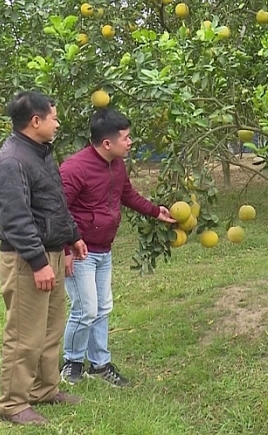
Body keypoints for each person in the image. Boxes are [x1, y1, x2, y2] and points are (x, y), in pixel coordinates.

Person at [0, 91, 88, 425]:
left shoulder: (40, 154)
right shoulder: (11, 161)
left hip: (53, 253)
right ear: (36, 121)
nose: (57, 123)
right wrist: (37, 261)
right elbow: (14, 218)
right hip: (27, 260)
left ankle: (45, 389)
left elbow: (54, 202)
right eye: (54, 117)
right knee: (24, 333)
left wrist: (72, 236)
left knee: (50, 326)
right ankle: (14, 404)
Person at [59, 109, 176, 387]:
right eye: (126, 137)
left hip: (104, 250)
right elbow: (56, 210)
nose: (131, 142)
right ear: (107, 143)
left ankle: (99, 365)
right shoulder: (75, 168)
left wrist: (154, 211)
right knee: (85, 309)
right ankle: (72, 362)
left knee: (102, 308)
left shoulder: (116, 165)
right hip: (80, 251)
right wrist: (64, 250)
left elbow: (127, 194)